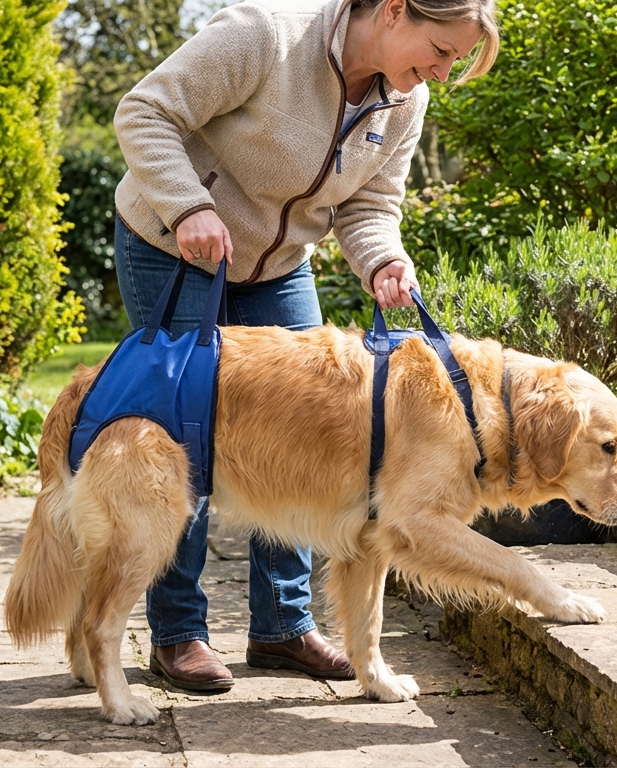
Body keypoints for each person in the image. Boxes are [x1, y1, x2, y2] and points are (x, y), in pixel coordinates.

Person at [110, 0, 499, 692]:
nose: (441, 70)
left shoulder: (404, 101)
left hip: (278, 265)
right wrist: (187, 205)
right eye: (440, 49)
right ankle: (176, 634)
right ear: (391, 12)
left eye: (455, 60)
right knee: (185, 437)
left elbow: (369, 205)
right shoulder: (264, 37)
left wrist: (383, 259)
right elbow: (144, 112)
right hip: (170, 247)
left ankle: (283, 628)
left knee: (306, 435)